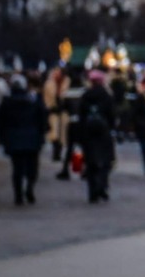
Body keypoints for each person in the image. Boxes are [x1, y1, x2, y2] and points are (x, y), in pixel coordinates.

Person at [0, 73, 49, 206]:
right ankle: (30, 187)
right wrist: (42, 133)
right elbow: (42, 118)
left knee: (17, 168)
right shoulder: (33, 100)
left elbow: (0, 121)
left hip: (14, 139)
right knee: (32, 167)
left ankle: (18, 195)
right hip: (32, 138)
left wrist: (2, 137)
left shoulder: (6, 102)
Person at [79, 70, 116, 203]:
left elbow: (81, 116)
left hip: (88, 134)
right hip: (103, 132)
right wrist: (112, 128)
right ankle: (102, 185)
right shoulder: (106, 95)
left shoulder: (85, 96)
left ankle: (92, 191)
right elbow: (111, 115)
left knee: (90, 162)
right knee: (105, 161)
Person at [41, 66, 71, 162]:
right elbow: (46, 98)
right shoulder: (49, 84)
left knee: (62, 134)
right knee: (54, 134)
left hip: (63, 112)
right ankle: (55, 152)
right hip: (53, 112)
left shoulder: (67, 82)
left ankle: (58, 152)